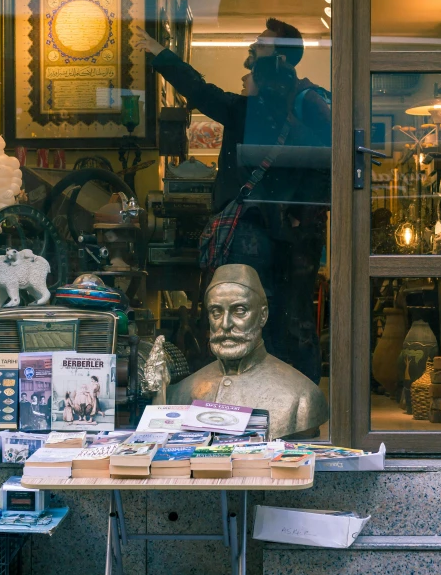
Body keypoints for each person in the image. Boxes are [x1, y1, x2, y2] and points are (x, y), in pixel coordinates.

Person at [135, 22, 330, 383]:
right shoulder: (303, 106)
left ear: (275, 62)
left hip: (252, 233)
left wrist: (160, 54)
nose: (253, 48)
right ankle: (297, 397)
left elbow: (202, 91)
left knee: (244, 315)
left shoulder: (254, 110)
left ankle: (252, 396)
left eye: (261, 47)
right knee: (286, 315)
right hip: (290, 236)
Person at [144, 265, 328, 439]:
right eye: (216, 312)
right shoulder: (180, 394)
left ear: (263, 316)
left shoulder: (302, 398)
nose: (225, 325)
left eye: (239, 311)